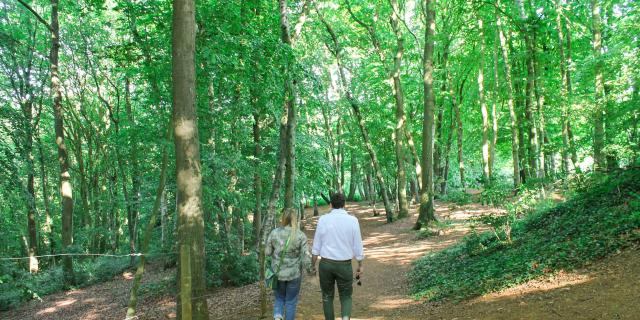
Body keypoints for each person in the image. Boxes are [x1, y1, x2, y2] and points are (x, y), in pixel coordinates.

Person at [311, 193, 364, 320]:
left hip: (326, 265)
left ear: (331, 205)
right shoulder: (353, 221)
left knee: (327, 296)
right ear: (344, 204)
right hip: (344, 265)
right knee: (346, 296)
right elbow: (358, 245)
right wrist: (360, 265)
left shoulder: (323, 219)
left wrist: (312, 265)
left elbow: (316, 246)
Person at [266, 208, 312, 320]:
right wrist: (310, 270)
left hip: (277, 273)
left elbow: (267, 252)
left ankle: (277, 316)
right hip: (294, 274)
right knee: (291, 302)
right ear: (295, 219)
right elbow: (306, 256)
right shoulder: (300, 235)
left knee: (279, 298)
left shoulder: (274, 233)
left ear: (283, 218)